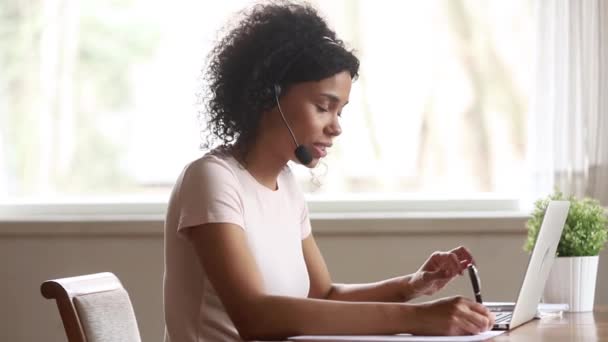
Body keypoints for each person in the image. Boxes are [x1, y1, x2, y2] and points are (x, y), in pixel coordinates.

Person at [163, 2, 495, 341]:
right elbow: (255, 316)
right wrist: (417, 319)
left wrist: (412, 286)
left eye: (340, 112)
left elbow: (323, 298)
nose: (336, 127)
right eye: (324, 107)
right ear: (268, 96)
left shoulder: (286, 185)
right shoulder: (213, 180)